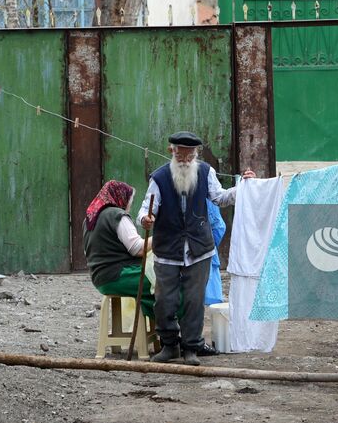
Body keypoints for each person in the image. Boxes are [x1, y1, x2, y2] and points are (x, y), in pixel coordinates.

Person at [138, 131, 254, 365]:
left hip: (199, 247)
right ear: (172, 152)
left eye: (190, 156)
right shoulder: (159, 178)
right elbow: (145, 209)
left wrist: (245, 186)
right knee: (164, 300)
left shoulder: (205, 172)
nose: (186, 160)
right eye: (181, 155)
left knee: (194, 299)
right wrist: (145, 219)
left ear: (196, 155)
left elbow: (220, 198)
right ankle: (170, 345)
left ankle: (191, 347)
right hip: (168, 249)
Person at [82, 180, 154, 320]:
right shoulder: (117, 215)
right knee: (168, 282)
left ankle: (160, 323)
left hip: (100, 278)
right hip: (119, 276)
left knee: (160, 286)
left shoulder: (90, 218)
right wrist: (162, 238)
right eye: (129, 202)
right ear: (121, 197)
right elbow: (138, 249)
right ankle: (171, 333)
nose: (129, 207)